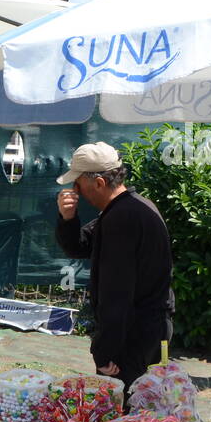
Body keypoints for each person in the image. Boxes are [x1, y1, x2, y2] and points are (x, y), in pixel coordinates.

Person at [55, 141, 174, 391]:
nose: (75, 189)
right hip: (147, 330)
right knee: (143, 417)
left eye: (78, 183)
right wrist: (68, 219)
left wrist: (104, 351)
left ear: (98, 183)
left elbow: (116, 294)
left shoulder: (123, 219)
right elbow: (81, 246)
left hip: (131, 338)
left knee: (122, 419)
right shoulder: (130, 208)